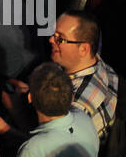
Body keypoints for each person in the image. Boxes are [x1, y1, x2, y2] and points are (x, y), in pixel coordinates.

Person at [47, 12, 119, 142]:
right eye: (53, 34)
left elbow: (48, 149)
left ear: (84, 49)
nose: (51, 40)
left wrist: (15, 109)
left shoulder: (77, 105)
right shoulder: (95, 60)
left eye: (60, 39)